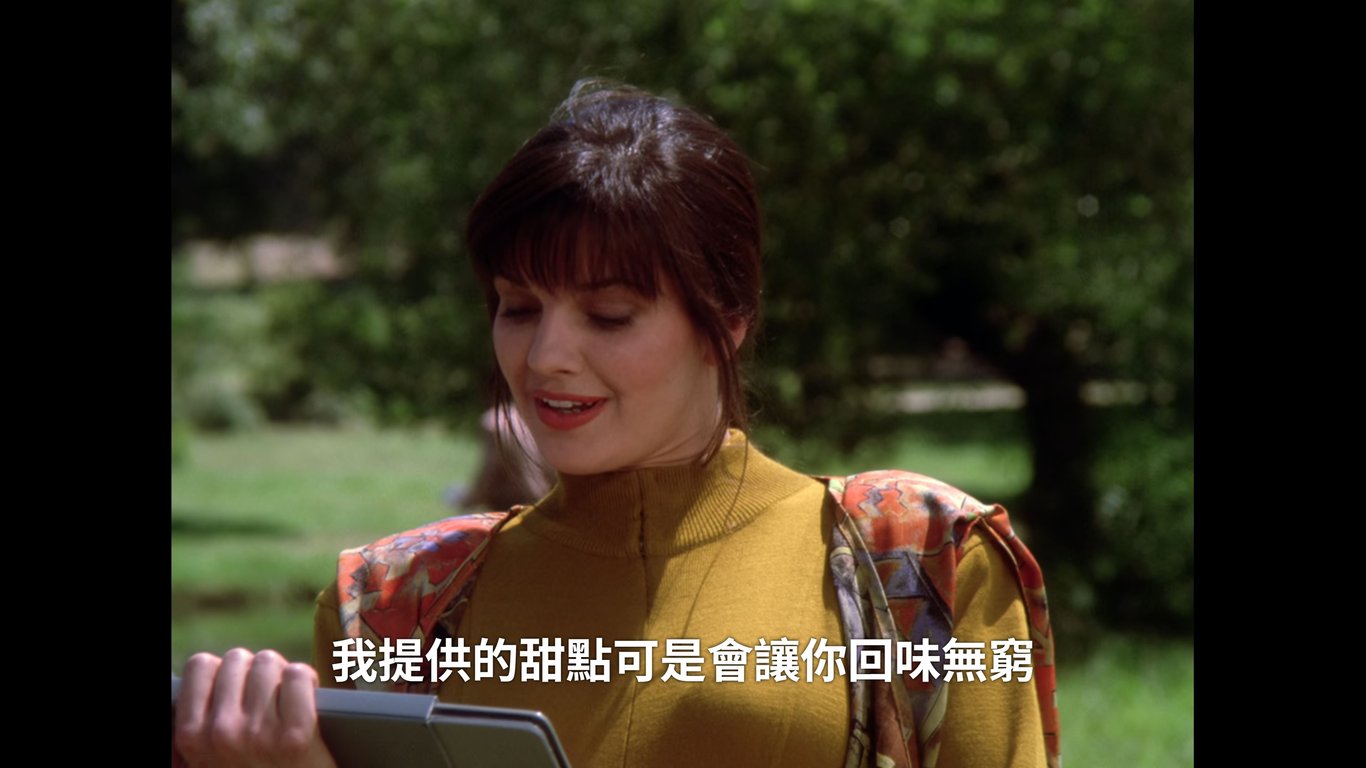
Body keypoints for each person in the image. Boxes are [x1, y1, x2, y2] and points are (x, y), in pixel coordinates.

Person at [174, 81, 1058, 768]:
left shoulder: (923, 560)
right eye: (518, 306)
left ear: (727, 321)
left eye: (609, 315)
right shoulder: (394, 609)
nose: (546, 356)